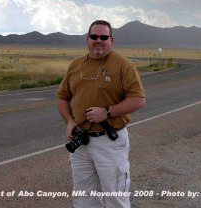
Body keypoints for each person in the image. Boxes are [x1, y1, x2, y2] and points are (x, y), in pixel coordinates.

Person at [56, 20, 146, 207]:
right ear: (87, 39)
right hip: (80, 143)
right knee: (83, 197)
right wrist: (70, 121)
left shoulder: (123, 65)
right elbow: (62, 97)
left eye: (103, 37)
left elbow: (138, 99)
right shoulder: (76, 65)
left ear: (111, 40)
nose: (99, 40)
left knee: (115, 197)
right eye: (94, 37)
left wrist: (107, 112)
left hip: (109, 142)